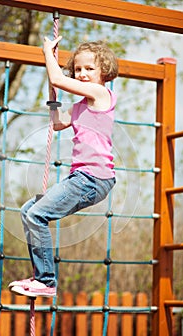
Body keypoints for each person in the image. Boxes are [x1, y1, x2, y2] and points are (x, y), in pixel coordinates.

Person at [9, 36, 118, 297]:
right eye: (78, 69)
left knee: (37, 215)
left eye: (89, 69)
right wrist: (52, 96)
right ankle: (40, 277)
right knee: (28, 211)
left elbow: (59, 78)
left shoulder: (101, 94)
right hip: (81, 177)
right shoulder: (82, 106)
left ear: (104, 72)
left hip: (93, 178)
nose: (82, 74)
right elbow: (57, 123)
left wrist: (48, 53)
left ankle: (46, 281)